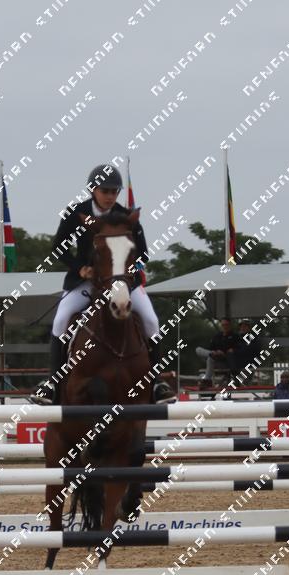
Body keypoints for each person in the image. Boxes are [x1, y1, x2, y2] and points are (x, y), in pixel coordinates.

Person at [38, 164, 175, 405]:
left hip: (121, 282)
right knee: (61, 319)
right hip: (86, 281)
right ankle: (53, 384)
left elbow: (142, 254)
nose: (110, 196)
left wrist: (126, 275)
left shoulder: (126, 217)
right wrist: (80, 267)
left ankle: (156, 383)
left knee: (151, 321)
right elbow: (59, 248)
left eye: (114, 191)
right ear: (93, 190)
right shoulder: (76, 213)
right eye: (105, 191)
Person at [196, 318, 240, 386]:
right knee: (198, 349)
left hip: (225, 361)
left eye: (226, 325)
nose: (224, 327)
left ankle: (207, 380)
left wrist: (223, 352)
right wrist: (215, 352)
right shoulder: (217, 336)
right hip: (215, 356)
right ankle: (212, 354)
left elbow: (237, 350)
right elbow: (210, 348)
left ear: (230, 325)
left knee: (210, 358)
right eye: (223, 325)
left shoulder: (235, 336)